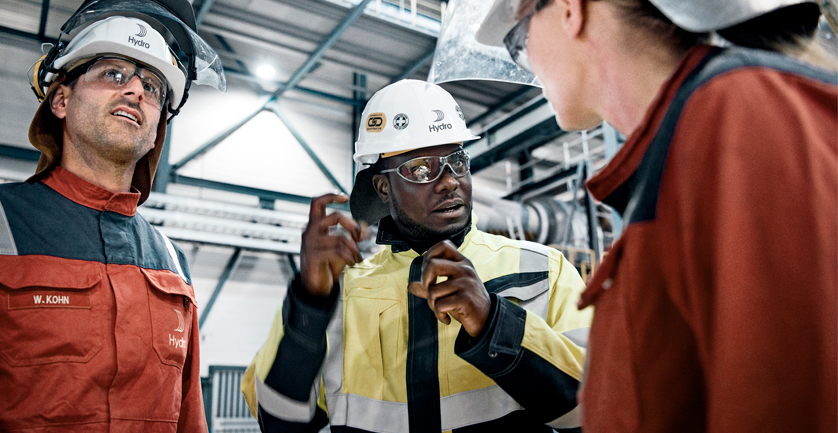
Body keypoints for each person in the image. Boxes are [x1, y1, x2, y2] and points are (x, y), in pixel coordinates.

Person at [449, 0, 838, 432]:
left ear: (568, 4)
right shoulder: (686, 153)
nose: (526, 61)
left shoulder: (737, 124)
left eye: (517, 41)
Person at [241, 79, 592, 432]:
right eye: (422, 168)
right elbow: (278, 423)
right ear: (382, 187)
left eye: (456, 161)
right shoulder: (342, 297)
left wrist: (494, 323)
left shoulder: (543, 272)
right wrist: (309, 305)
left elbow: (595, 409)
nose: (449, 181)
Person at [0, 0, 226, 431]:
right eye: (113, 73)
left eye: (153, 87)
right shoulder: (4, 223)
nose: (136, 90)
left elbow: (190, 418)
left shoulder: (172, 262)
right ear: (61, 99)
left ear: (158, 126)